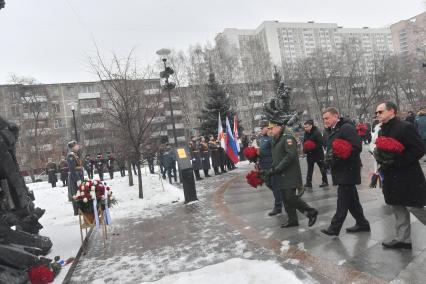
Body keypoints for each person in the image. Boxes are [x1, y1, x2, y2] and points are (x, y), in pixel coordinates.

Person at [375, 102, 426, 249]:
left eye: (380, 111)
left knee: (414, 207)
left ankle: (403, 238)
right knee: (397, 206)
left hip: (408, 175)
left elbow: (419, 149)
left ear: (392, 111)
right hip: (391, 175)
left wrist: (397, 160)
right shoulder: (381, 130)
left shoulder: (405, 127)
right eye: (376, 112)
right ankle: (403, 239)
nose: (377, 114)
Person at [321, 107, 370, 236]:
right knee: (352, 200)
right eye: (323, 119)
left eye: (327, 118)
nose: (324, 121)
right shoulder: (333, 130)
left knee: (342, 201)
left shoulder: (346, 127)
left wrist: (338, 156)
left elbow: (356, 146)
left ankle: (334, 228)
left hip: (348, 169)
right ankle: (363, 223)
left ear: (336, 116)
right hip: (341, 169)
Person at [268, 119, 318, 228]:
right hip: (281, 173)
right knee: (285, 198)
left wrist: (278, 168)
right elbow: (277, 157)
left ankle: (311, 212)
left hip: (290, 173)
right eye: (269, 129)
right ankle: (292, 219)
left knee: (290, 197)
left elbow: (290, 155)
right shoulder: (275, 139)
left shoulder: (287, 138)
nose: (270, 131)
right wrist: (272, 168)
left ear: (279, 127)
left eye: (271, 128)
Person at [257, 120, 282, 216]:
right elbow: (262, 150)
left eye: (262, 128)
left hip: (271, 165)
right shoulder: (261, 138)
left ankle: (278, 206)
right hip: (264, 166)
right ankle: (283, 197)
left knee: (275, 186)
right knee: (268, 184)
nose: (260, 130)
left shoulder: (271, 138)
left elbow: (275, 151)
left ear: (267, 128)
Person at [302, 120, 328, 188]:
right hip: (310, 154)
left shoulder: (317, 132)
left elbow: (320, 143)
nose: (305, 129)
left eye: (307, 127)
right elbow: (304, 141)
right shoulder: (305, 133)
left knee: (322, 167)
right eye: (304, 127)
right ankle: (308, 182)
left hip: (318, 153)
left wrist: (312, 146)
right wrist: (305, 149)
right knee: (310, 168)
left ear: (311, 126)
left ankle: (325, 181)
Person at [67, 141, 83, 215]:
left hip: (78, 175)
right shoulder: (71, 156)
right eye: (76, 145)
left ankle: (81, 209)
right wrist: (77, 179)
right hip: (74, 177)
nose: (78, 146)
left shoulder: (75, 155)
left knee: (80, 192)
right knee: (75, 193)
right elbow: (72, 169)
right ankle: (77, 211)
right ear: (72, 147)